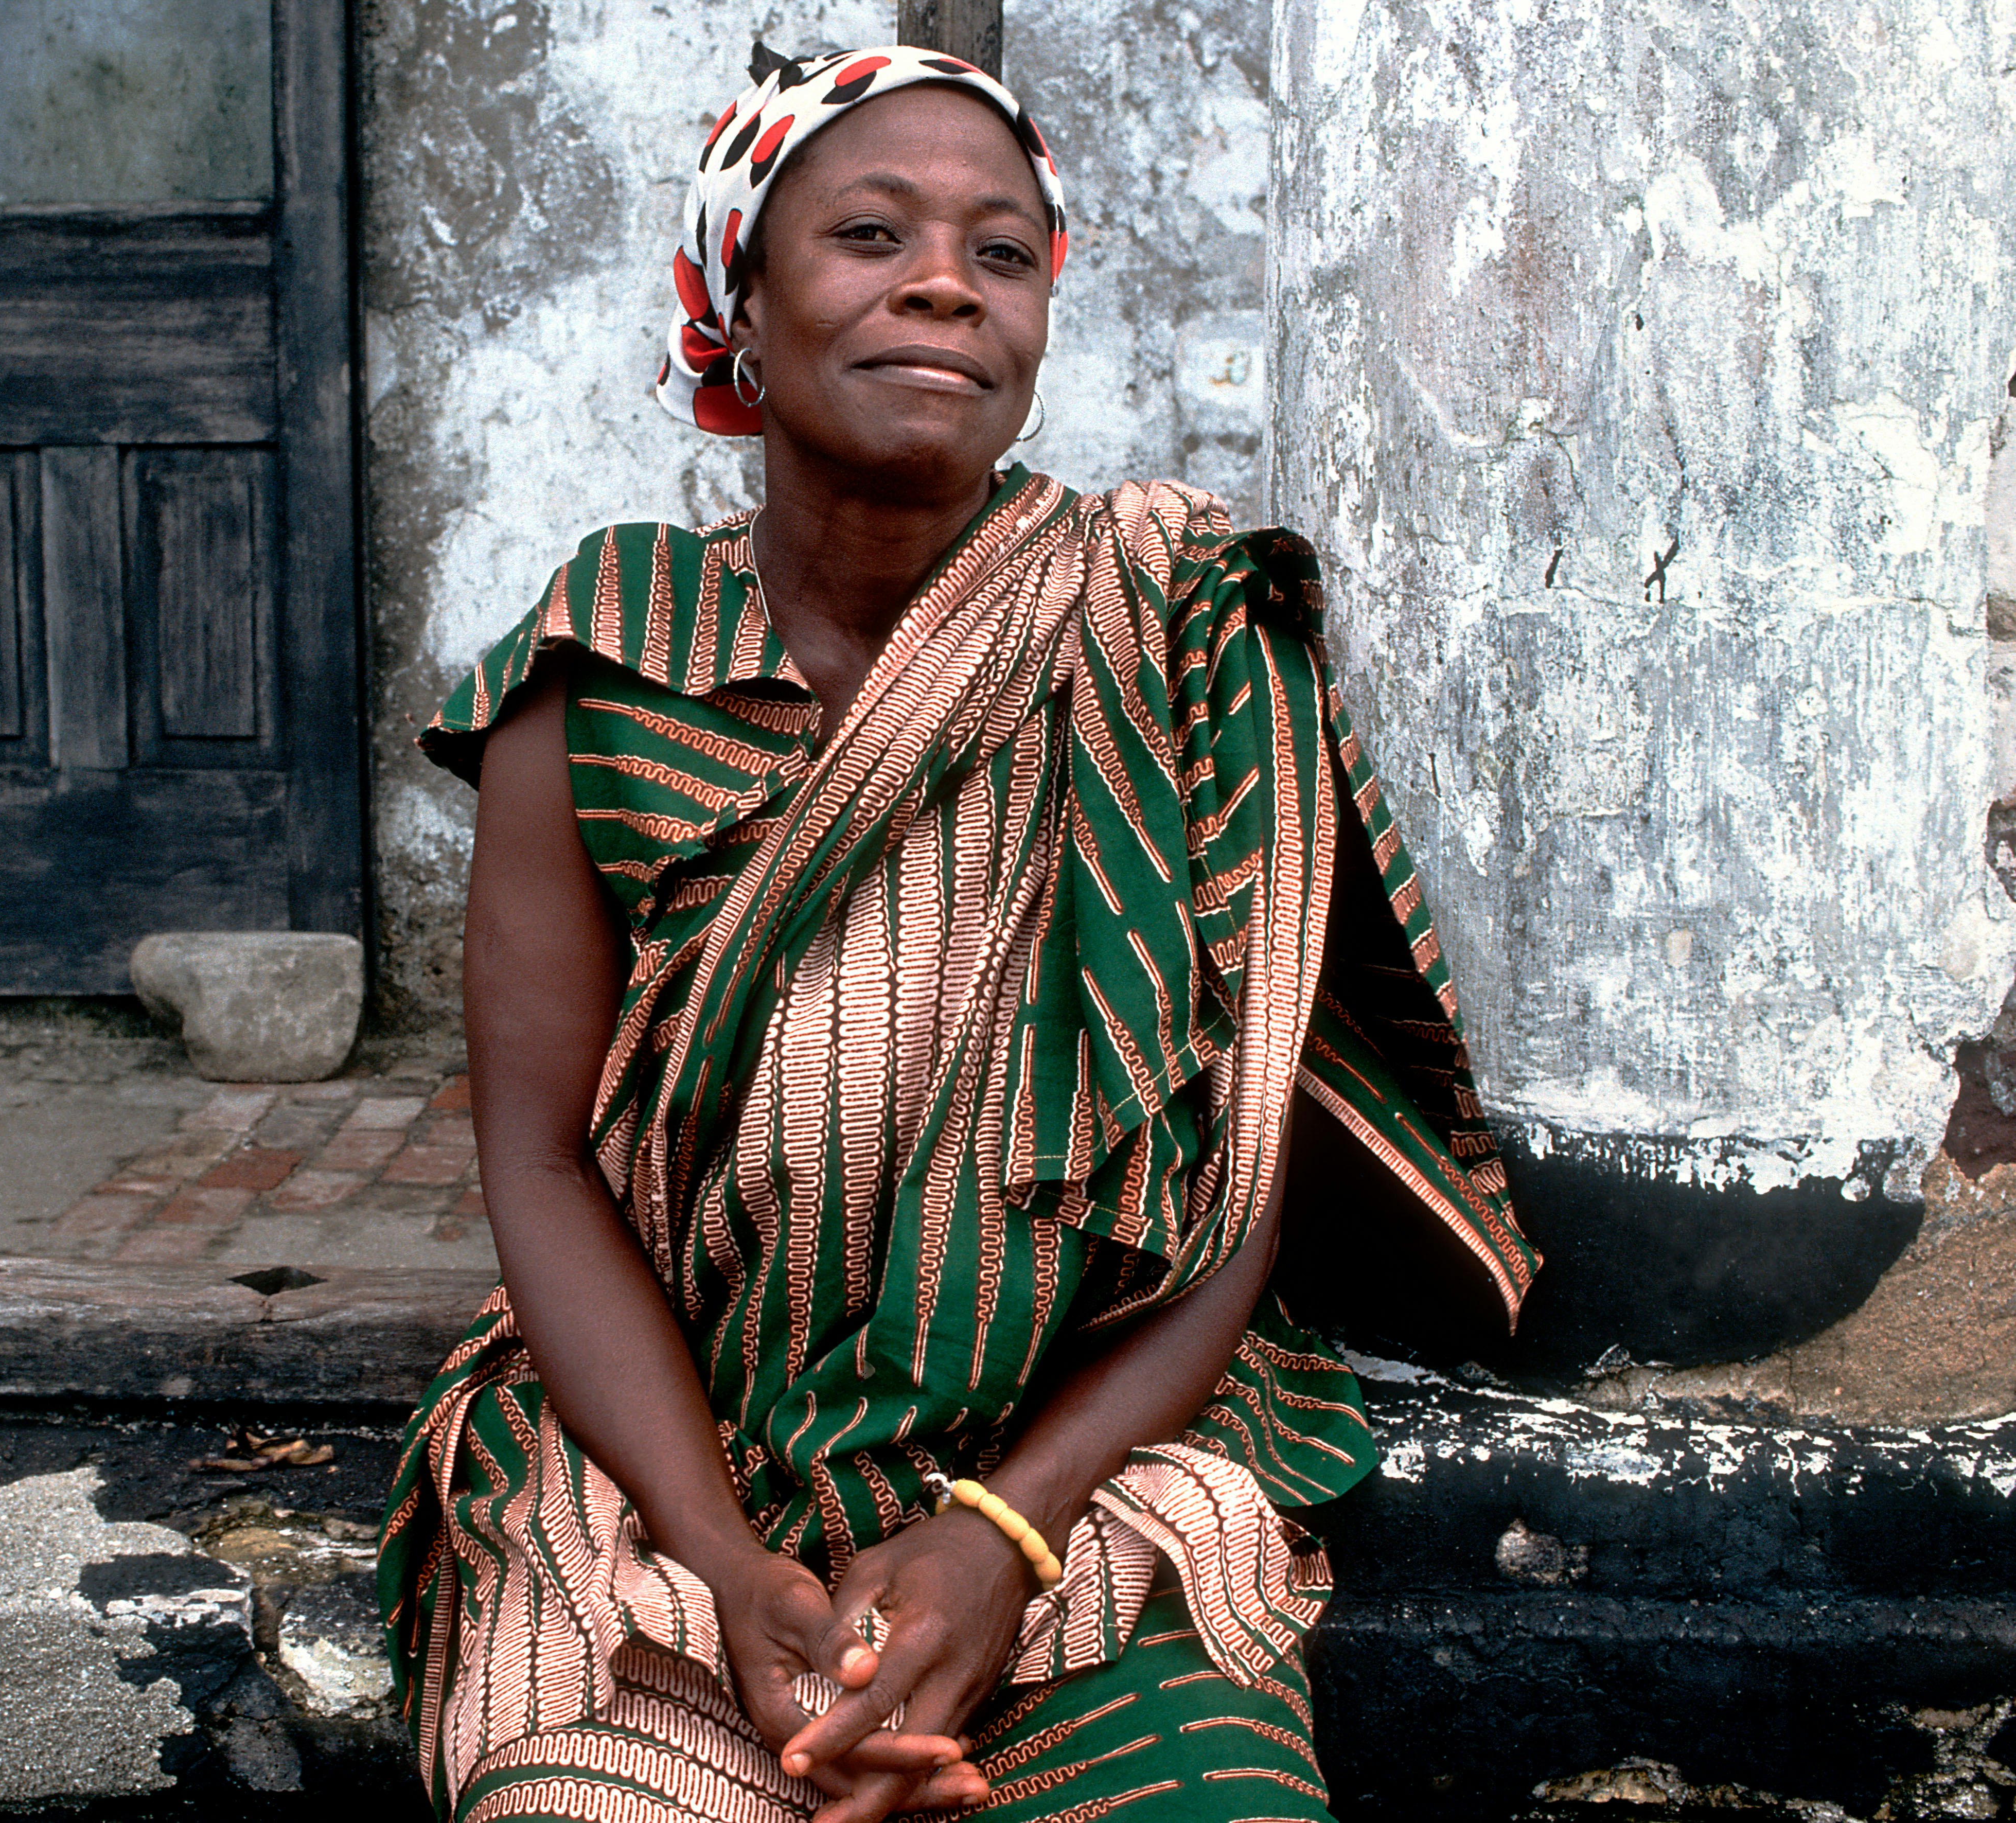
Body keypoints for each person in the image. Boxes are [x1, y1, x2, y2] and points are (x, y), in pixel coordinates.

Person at [377, 42, 1537, 1823]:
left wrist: (1004, 1534)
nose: (943, 280)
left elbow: (1236, 1180)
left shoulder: (1176, 633)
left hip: (1082, 1472)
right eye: (867, 234)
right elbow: (538, 1160)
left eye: (1002, 254)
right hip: (666, 1463)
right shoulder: (601, 660)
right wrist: (718, 1561)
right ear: (736, 306)